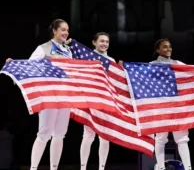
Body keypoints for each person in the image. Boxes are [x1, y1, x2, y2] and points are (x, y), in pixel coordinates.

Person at [6, 19, 72, 170]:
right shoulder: (43, 48)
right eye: (62, 29)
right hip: (49, 96)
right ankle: (34, 168)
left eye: (67, 30)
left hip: (64, 95)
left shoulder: (68, 51)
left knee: (60, 134)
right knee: (44, 133)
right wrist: (15, 65)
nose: (66, 33)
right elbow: (29, 66)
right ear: (54, 31)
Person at [150, 39, 191, 170]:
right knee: (160, 138)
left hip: (176, 106)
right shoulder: (151, 65)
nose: (168, 49)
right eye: (164, 47)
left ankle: (188, 168)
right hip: (160, 105)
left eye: (170, 47)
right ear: (158, 50)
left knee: (182, 138)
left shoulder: (178, 64)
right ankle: (161, 168)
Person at [78, 32, 115, 170]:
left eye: (107, 41)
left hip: (105, 101)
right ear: (94, 42)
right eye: (102, 41)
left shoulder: (111, 61)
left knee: (104, 137)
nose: (104, 44)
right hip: (90, 100)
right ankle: (83, 167)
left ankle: (102, 168)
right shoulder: (87, 58)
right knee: (88, 135)